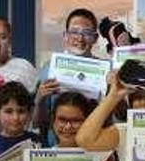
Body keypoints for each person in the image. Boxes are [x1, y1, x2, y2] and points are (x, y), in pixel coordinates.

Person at [34, 9, 100, 145]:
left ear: (95, 38)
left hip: (95, 146)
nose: (80, 38)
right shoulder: (48, 69)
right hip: (57, 148)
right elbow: (37, 123)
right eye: (74, 32)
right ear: (65, 36)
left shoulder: (106, 70)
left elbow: (118, 118)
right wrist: (40, 99)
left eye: (87, 33)